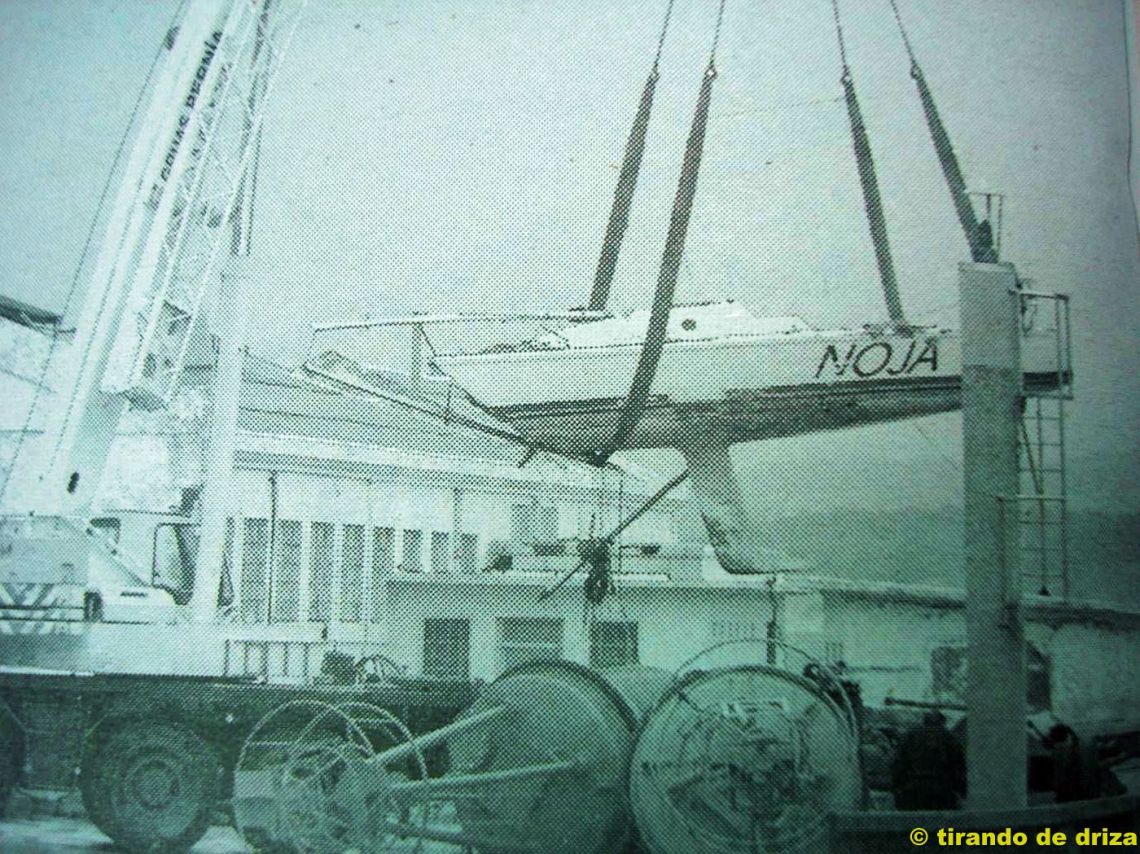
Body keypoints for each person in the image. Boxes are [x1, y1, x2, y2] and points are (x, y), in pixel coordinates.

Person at [890, 710, 967, 810]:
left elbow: (898, 763)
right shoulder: (949, 737)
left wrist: (897, 786)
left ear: (924, 721)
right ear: (942, 722)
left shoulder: (910, 736)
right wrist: (961, 791)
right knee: (942, 817)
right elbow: (958, 766)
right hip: (942, 788)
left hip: (913, 786)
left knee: (914, 816)